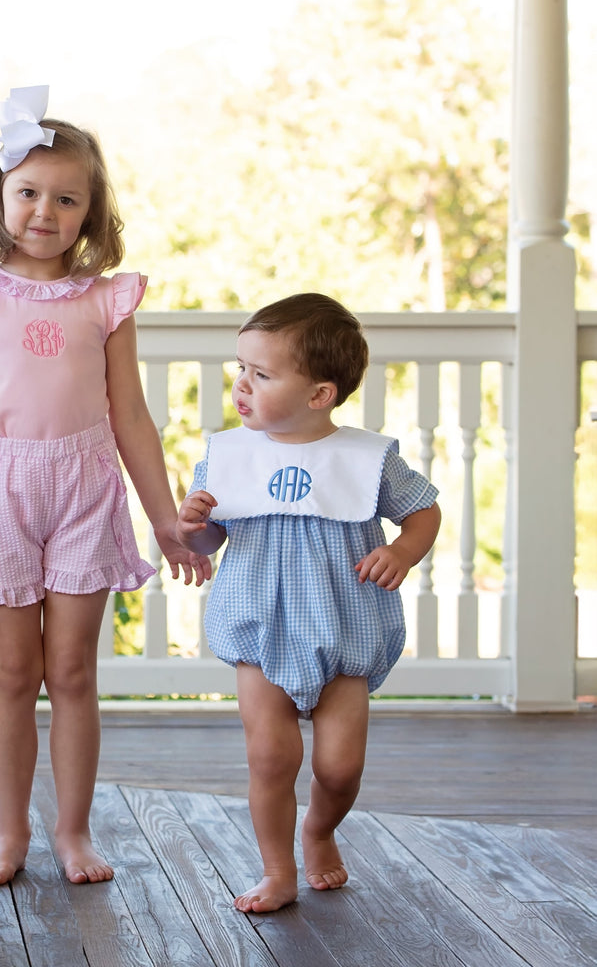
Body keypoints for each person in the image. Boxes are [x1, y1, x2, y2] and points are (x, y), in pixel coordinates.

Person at [0, 87, 210, 887]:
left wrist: (164, 518)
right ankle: (8, 833)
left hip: (85, 487)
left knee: (74, 670)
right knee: (12, 673)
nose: (43, 212)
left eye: (65, 199)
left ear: (90, 211)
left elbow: (132, 418)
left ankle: (73, 831)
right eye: (27, 192)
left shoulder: (105, 301)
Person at [177, 292, 440, 913]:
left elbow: (423, 512)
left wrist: (402, 552)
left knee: (341, 768)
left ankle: (319, 830)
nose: (242, 385)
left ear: (320, 394)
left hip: (344, 629)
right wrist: (195, 527)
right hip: (261, 627)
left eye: (262, 375)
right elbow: (213, 536)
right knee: (271, 757)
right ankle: (277, 871)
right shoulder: (229, 454)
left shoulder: (366, 458)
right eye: (240, 368)